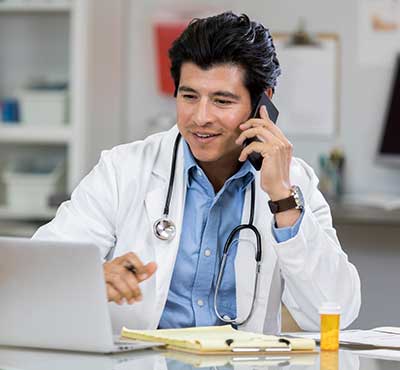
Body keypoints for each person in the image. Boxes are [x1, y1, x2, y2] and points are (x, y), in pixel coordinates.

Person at [33, 11, 361, 334]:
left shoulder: (293, 183)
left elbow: (335, 312)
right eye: (189, 96)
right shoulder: (125, 169)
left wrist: (282, 201)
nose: (200, 117)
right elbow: (36, 272)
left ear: (264, 102)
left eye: (222, 101)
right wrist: (91, 276)